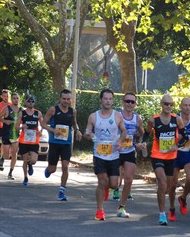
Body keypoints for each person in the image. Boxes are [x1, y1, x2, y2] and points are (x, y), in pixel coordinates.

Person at [83, 89, 126, 221]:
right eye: (105, 98)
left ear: (112, 101)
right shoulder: (93, 116)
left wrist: (120, 141)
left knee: (114, 184)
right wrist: (89, 135)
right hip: (99, 154)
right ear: (101, 100)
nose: (108, 101)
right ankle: (100, 210)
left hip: (113, 155)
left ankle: (107, 188)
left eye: (110, 99)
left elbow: (124, 131)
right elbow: (87, 132)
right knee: (102, 181)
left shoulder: (117, 116)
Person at [145, 94, 187, 225]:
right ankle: (162, 214)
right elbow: (146, 134)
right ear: (161, 104)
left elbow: (185, 137)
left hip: (171, 157)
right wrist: (142, 143)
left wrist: (176, 145)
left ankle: (169, 207)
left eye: (171, 104)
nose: (168, 106)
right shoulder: (153, 120)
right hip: (157, 155)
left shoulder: (177, 119)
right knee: (162, 182)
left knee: (168, 187)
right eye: (166, 104)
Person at [42, 89, 82, 200]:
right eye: (64, 99)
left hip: (66, 143)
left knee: (65, 166)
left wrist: (78, 130)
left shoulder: (72, 111)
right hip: (54, 143)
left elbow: (74, 123)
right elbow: (43, 123)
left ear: (71, 100)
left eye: (68, 99)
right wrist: (53, 130)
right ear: (60, 99)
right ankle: (48, 169)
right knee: (52, 169)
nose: (66, 101)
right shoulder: (53, 110)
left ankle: (62, 191)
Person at [112, 92, 145, 218]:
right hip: (116, 151)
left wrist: (139, 142)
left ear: (135, 104)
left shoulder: (137, 118)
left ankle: (121, 207)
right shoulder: (117, 115)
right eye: (127, 101)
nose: (130, 104)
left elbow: (141, 133)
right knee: (115, 183)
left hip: (130, 151)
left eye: (132, 102)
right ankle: (111, 188)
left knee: (129, 180)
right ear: (123, 102)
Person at [168, 97, 190, 221]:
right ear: (181, 107)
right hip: (175, 154)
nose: (187, 107)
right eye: (185, 105)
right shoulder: (175, 118)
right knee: (173, 183)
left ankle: (183, 197)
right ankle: (171, 208)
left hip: (189, 154)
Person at [16, 95, 45, 186]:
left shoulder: (38, 113)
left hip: (34, 141)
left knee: (33, 160)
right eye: (29, 101)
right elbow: (16, 127)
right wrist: (22, 126)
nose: (30, 103)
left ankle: (30, 164)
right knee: (25, 160)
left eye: (32, 101)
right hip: (23, 141)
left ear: (34, 102)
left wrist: (41, 131)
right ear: (26, 102)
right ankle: (25, 178)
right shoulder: (22, 113)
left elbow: (43, 124)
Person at [0, 92, 22, 180]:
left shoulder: (21, 110)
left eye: (17, 98)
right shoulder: (7, 108)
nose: (16, 100)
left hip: (16, 135)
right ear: (12, 99)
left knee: (14, 154)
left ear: (19, 99)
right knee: (7, 155)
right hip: (7, 134)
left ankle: (10, 172)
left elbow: (25, 120)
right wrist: (5, 121)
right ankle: (2, 158)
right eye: (14, 98)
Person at [0, 89, 11, 171]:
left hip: (10, 128)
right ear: (1, 96)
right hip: (1, 127)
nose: (6, 98)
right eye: (4, 96)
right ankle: (2, 156)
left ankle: (3, 156)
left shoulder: (11, 105)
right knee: (3, 142)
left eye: (7, 96)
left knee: (10, 145)